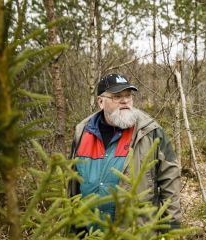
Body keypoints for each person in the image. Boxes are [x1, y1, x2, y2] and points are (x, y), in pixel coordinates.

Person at [68, 73, 181, 234]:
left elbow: (170, 180)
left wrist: (171, 229)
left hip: (136, 232)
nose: (125, 101)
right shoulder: (82, 131)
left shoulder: (150, 131)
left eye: (128, 95)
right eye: (117, 96)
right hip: (90, 233)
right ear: (100, 101)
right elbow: (73, 182)